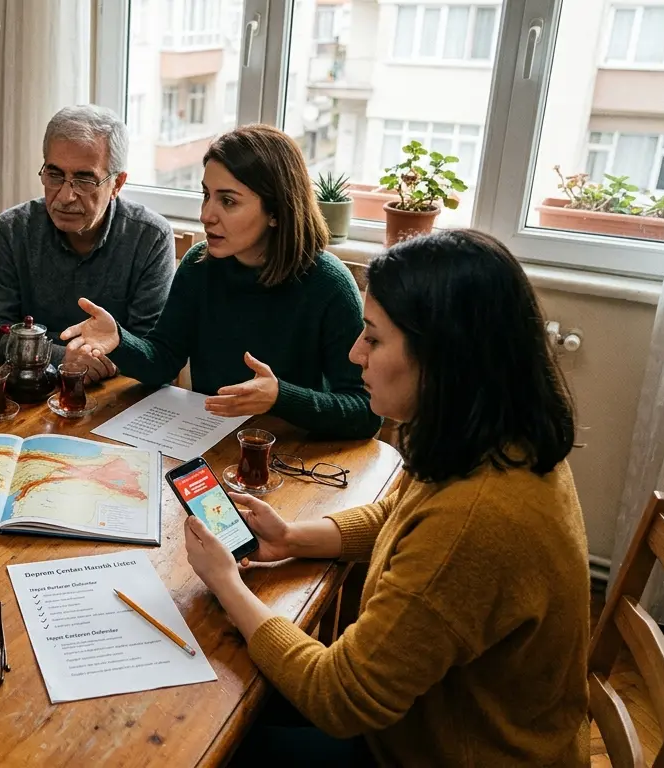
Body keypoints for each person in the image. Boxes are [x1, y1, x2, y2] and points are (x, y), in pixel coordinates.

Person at [184, 229, 590, 766]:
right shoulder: (494, 437)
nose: (356, 354)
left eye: (373, 339)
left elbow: (340, 697)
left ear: (443, 355)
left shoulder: (477, 518)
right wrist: (293, 536)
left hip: (436, 752)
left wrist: (227, 584)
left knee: (207, 732)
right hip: (420, 720)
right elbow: (397, 516)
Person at [62, 125, 380, 439]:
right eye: (206, 195)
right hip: (207, 440)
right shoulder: (200, 266)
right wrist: (118, 339)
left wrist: (280, 396)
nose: (206, 215)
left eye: (228, 201)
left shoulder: (329, 284)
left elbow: (365, 412)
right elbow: (163, 361)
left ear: (276, 212)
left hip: (289, 457)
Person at [0, 104, 174, 383]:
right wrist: (60, 357)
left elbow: (150, 348)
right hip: (33, 384)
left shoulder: (150, 237)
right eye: (54, 175)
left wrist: (100, 358)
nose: (66, 196)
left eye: (84, 179)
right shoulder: (12, 229)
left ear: (117, 183)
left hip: (118, 393)